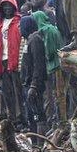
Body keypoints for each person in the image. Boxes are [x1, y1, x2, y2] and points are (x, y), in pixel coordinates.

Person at [21, 10, 61, 141]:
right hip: (29, 83)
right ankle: (35, 145)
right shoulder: (30, 40)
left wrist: (33, 85)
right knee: (32, 116)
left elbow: (38, 65)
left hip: (35, 85)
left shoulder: (35, 39)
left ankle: (40, 144)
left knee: (39, 116)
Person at [0, 0, 25, 129]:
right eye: (5, 6)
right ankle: (11, 118)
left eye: (10, 6)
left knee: (18, 90)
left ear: (14, 7)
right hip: (1, 61)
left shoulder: (19, 21)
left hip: (15, 61)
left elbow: (23, 41)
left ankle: (21, 118)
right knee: (6, 90)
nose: (7, 8)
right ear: (2, 8)